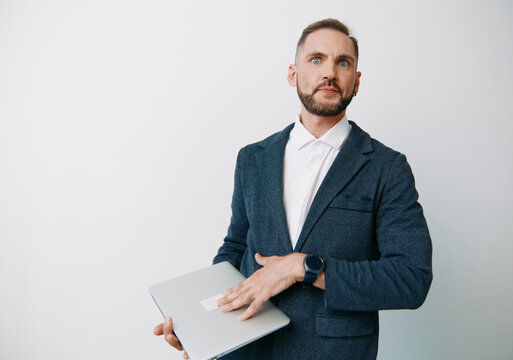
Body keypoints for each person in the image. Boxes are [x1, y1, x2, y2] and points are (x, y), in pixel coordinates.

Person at [153, 18, 432, 359]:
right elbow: (235, 248)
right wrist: (204, 326)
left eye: (343, 62)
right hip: (246, 351)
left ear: (356, 81)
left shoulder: (387, 168)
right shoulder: (253, 159)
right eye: (316, 59)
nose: (329, 72)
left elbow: (410, 279)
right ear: (292, 73)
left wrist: (303, 266)